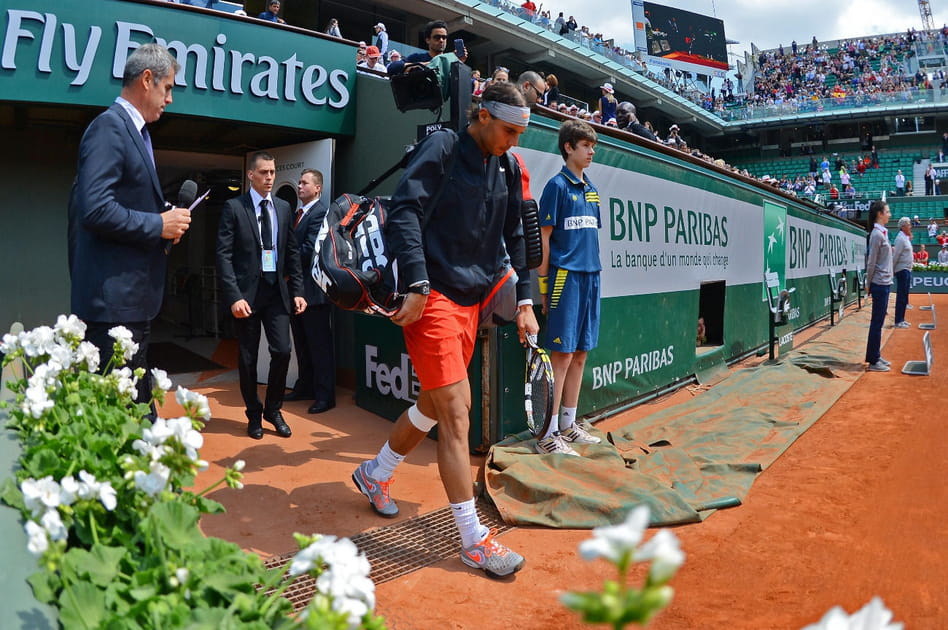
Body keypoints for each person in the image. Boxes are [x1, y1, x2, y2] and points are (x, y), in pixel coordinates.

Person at [350, 82, 538, 579]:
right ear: (481, 115)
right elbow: (406, 212)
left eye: (520, 132)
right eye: (508, 130)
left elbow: (516, 234)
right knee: (458, 415)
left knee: (434, 404)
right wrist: (415, 280)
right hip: (432, 297)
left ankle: (375, 474)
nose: (513, 140)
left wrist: (524, 299)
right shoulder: (442, 147)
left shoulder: (506, 166)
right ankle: (474, 541)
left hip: (472, 303)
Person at [68, 43, 190, 414]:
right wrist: (158, 224)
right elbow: (96, 208)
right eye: (167, 88)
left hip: (131, 306)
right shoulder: (109, 127)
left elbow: (119, 206)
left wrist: (164, 220)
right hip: (112, 311)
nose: (169, 99)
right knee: (123, 423)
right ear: (147, 80)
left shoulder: (136, 133)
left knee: (137, 419)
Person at [216, 151, 306, 439]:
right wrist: (233, 296)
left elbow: (291, 252)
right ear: (251, 175)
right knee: (247, 359)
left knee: (282, 351)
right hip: (246, 297)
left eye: (272, 172)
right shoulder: (234, 207)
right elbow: (223, 255)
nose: (269, 177)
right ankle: (253, 415)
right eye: (264, 172)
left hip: (276, 294)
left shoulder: (282, 207)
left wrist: (298, 292)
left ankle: (273, 409)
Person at [535, 119, 603, 455]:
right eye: (586, 145)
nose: (592, 151)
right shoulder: (555, 187)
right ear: (568, 148)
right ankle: (547, 435)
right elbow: (545, 241)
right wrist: (545, 287)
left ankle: (568, 425)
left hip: (592, 277)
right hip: (565, 280)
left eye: (593, 146)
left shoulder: (591, 189)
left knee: (580, 354)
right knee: (560, 357)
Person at [285, 169, 336, 414]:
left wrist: (281, 256)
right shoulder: (297, 214)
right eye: (299, 182)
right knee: (302, 344)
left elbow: (309, 249)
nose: (299, 186)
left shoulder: (320, 214)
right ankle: (305, 387)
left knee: (319, 345)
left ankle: (326, 396)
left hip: (313, 293)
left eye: (305, 183)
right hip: (296, 290)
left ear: (318, 188)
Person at [864, 200, 892, 372]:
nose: (889, 214)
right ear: (880, 214)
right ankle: (873, 360)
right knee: (877, 322)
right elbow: (871, 261)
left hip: (884, 282)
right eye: (887, 211)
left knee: (879, 322)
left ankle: (875, 355)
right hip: (879, 284)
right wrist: (868, 284)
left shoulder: (882, 233)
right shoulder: (876, 235)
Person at [389, 20, 466, 75]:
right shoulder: (417, 57)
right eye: (437, 37)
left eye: (444, 37)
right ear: (428, 40)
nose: (441, 40)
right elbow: (392, 68)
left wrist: (459, 63)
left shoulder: (451, 62)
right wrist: (428, 64)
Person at [892, 217, 913, 329]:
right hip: (902, 270)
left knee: (904, 296)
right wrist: (892, 269)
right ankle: (898, 320)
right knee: (901, 296)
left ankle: (902, 319)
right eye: (909, 224)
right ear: (903, 226)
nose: (910, 226)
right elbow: (896, 256)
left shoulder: (905, 238)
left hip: (907, 269)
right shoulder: (900, 239)